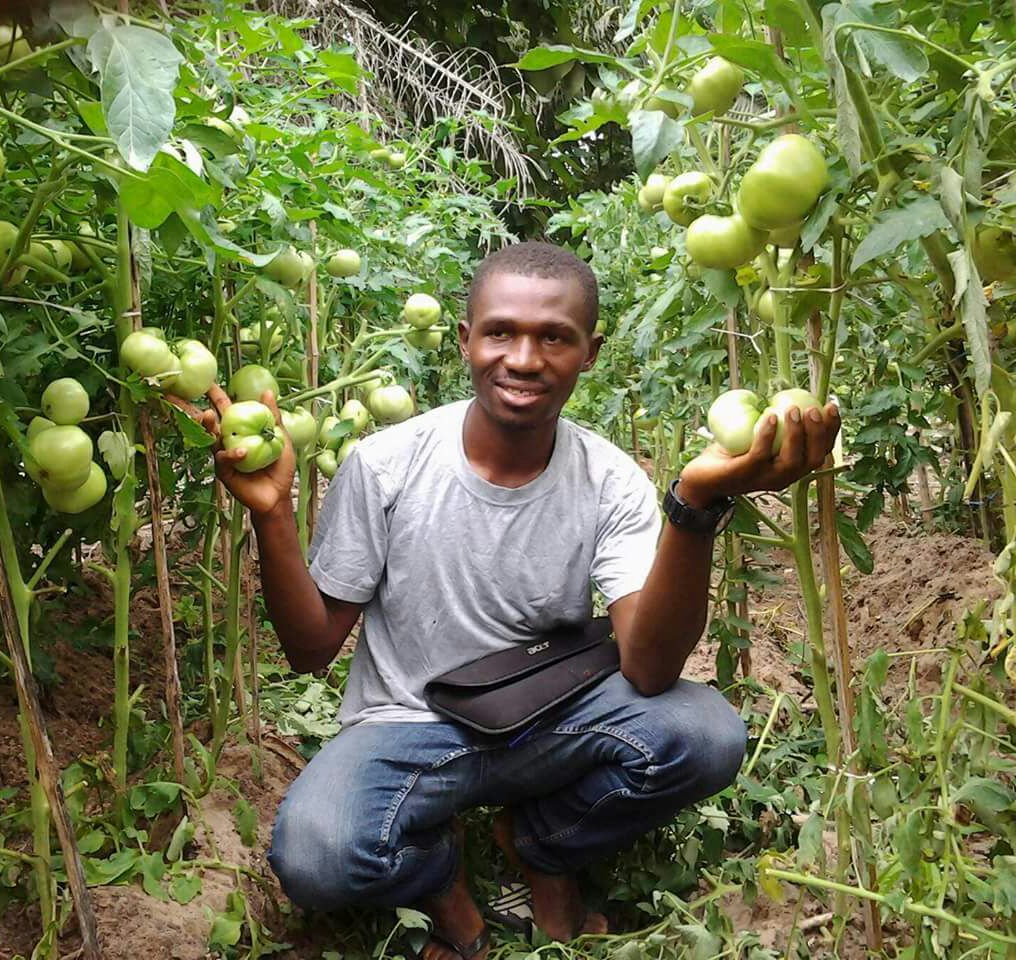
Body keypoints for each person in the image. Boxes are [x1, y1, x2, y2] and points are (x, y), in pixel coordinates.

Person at [200, 242, 841, 960]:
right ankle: (438, 874)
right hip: (406, 723)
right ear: (466, 339)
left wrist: (694, 504)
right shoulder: (385, 465)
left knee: (705, 734)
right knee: (317, 855)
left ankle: (544, 842)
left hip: (546, 718)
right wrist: (273, 514)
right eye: (501, 331)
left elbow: (650, 671)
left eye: (555, 337)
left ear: (590, 352)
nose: (525, 358)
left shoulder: (609, 479)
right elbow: (310, 647)